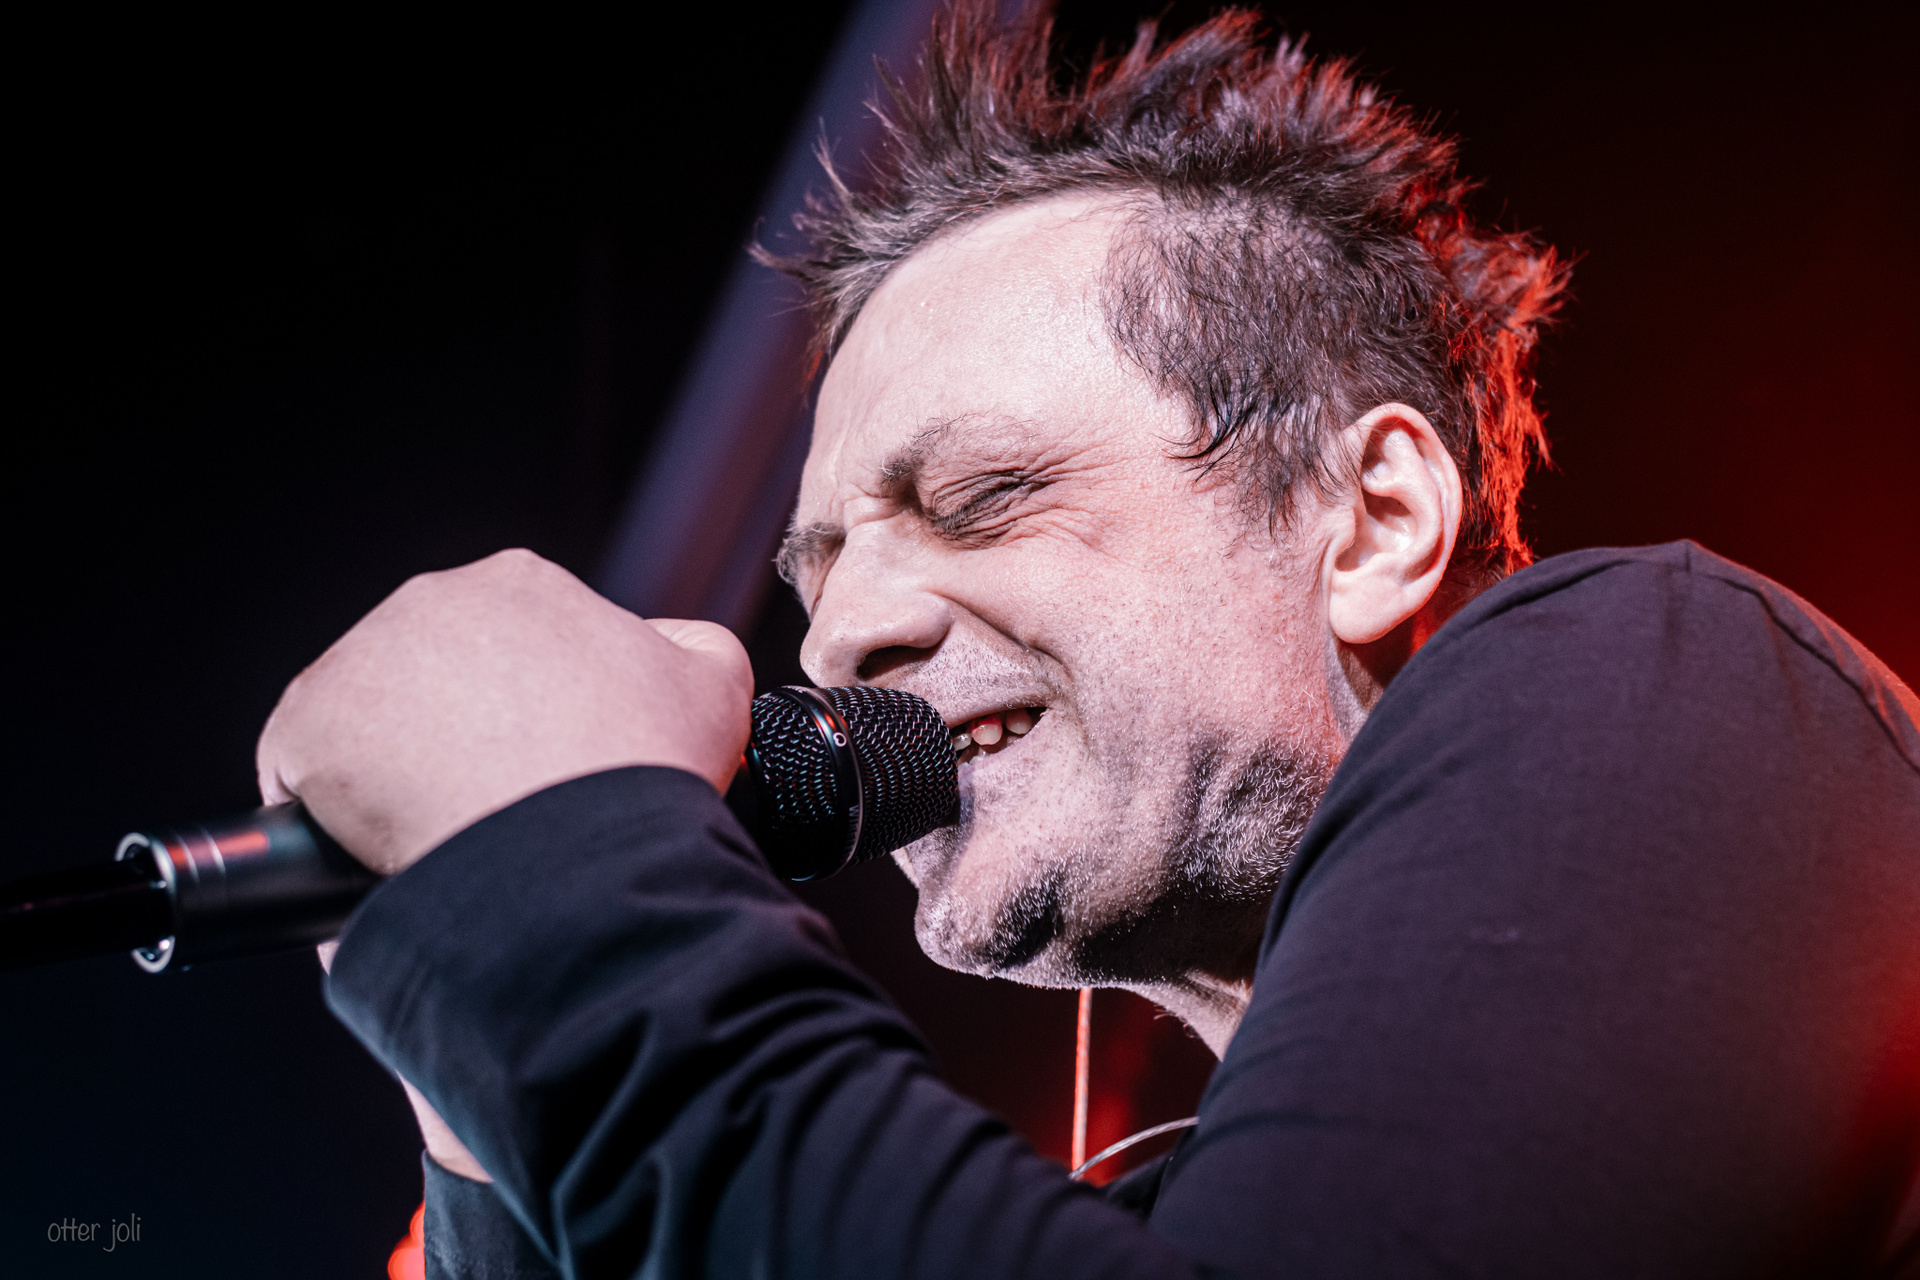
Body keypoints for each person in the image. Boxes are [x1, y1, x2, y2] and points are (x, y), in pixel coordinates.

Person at [260, 4, 1920, 1276]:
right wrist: (483, 1103)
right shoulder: (1137, 1220)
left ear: (1374, 519)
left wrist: (562, 901)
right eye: (817, 578)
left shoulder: (1668, 679)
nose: (839, 642)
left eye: (982, 496)